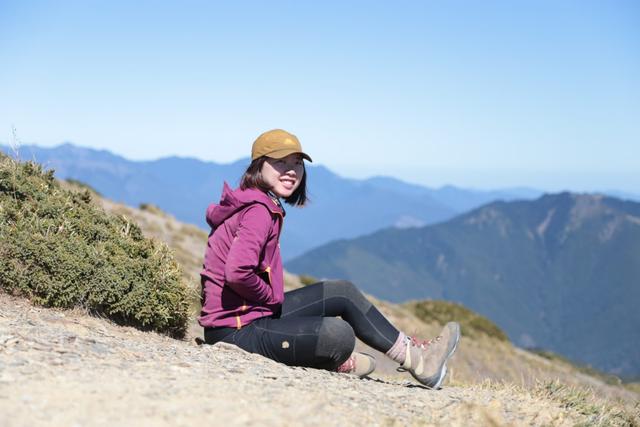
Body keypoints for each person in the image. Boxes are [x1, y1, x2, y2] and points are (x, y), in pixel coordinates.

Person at [199, 129, 460, 388]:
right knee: (338, 336)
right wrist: (272, 298)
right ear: (259, 165)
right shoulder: (258, 211)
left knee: (341, 292)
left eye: (297, 163)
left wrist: (269, 302)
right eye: (281, 162)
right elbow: (237, 272)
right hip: (234, 331)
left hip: (250, 317)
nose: (291, 171)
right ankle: (334, 358)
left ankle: (417, 359)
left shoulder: (257, 201)